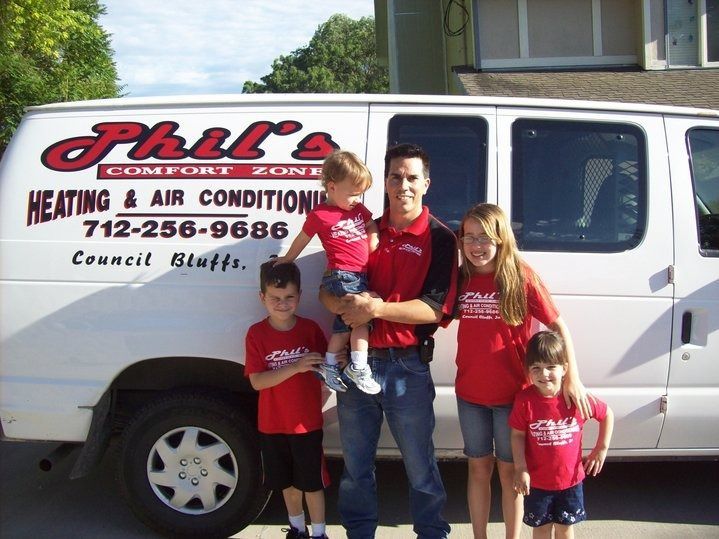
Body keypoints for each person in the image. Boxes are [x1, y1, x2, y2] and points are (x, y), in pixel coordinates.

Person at [320, 143, 458, 539]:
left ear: (426, 184)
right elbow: (327, 290)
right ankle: (359, 533)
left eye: (412, 177)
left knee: (420, 466)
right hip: (355, 363)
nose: (403, 185)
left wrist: (374, 310)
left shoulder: (441, 238)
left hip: (406, 367)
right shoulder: (365, 229)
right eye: (396, 176)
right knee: (356, 466)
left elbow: (434, 309)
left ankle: (432, 533)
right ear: (385, 182)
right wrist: (342, 302)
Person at [454, 203, 591, 539]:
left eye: (484, 237)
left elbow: (558, 324)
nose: (476, 245)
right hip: (469, 394)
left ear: (501, 239)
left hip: (512, 397)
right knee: (478, 467)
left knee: (509, 471)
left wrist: (572, 376)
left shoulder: (520, 275)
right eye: (468, 237)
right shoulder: (462, 276)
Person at [274, 150, 380, 395]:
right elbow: (302, 238)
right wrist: (288, 259)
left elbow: (370, 224)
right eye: (353, 193)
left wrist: (373, 239)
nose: (357, 199)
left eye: (360, 194)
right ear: (332, 187)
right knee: (362, 320)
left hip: (358, 275)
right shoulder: (320, 215)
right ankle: (359, 366)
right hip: (342, 275)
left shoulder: (357, 209)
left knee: (343, 327)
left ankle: (331, 366)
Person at [244, 261, 331, 539]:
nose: (282, 304)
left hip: (306, 425)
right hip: (272, 425)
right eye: (275, 298)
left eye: (289, 297)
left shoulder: (310, 330)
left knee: (312, 484)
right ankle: (297, 530)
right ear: (262, 298)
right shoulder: (256, 334)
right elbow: (257, 380)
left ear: (299, 296)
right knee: (287, 485)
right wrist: (295, 367)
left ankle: (319, 533)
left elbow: (326, 370)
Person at [510, 330, 614, 539]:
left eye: (551, 367)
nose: (544, 374)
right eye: (536, 368)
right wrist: (521, 468)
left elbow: (607, 414)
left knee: (565, 528)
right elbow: (517, 435)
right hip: (538, 483)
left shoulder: (576, 398)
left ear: (565, 368)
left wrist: (601, 449)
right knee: (541, 529)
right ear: (528, 370)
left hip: (571, 482)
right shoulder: (525, 401)